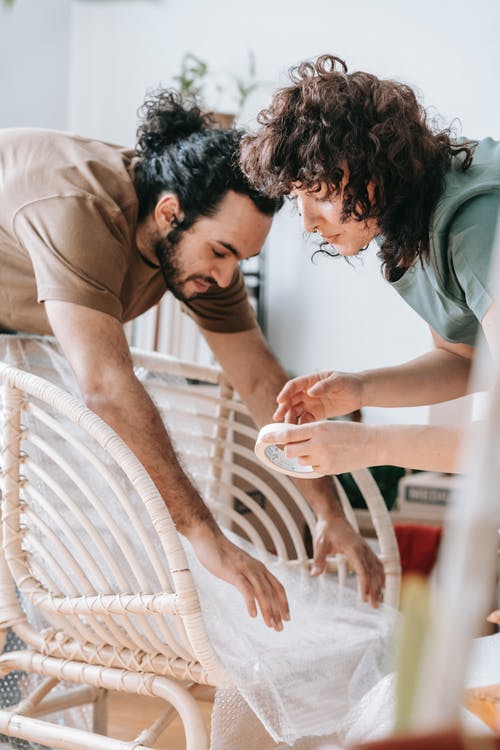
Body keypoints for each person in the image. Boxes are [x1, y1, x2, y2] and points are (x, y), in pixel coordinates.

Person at [0, 90, 385, 630]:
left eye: (242, 260)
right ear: (168, 213)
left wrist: (328, 513)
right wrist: (208, 538)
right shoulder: (81, 211)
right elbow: (106, 387)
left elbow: (259, 378)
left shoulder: (196, 243)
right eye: (222, 253)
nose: (227, 279)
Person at [239, 54, 500, 478]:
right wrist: (361, 389)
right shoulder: (411, 225)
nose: (306, 222)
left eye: (320, 193)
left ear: (373, 170)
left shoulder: (476, 226)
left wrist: (366, 445)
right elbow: (464, 358)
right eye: (296, 198)